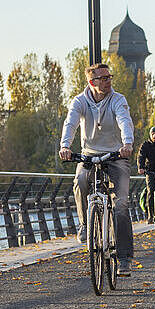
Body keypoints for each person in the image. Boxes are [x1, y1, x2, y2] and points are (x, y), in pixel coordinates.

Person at [59, 63, 135, 277]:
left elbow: (124, 121)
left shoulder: (118, 100)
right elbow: (71, 123)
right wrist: (65, 146)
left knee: (120, 205)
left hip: (116, 154)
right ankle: (85, 224)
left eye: (109, 77)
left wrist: (127, 143)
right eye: (103, 78)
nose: (108, 81)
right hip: (89, 153)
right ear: (92, 82)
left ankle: (123, 258)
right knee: (81, 180)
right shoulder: (80, 101)